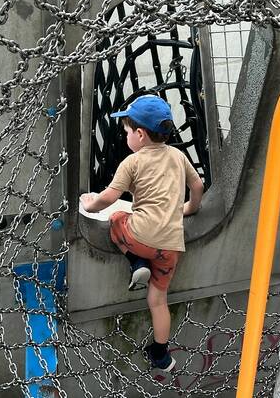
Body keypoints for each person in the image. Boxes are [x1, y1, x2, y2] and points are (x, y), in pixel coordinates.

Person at [80, 94, 204, 372]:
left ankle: (136, 263)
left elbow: (111, 196)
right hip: (170, 248)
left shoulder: (132, 162)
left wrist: (91, 203)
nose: (125, 137)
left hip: (140, 238)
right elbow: (197, 187)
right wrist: (188, 209)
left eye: (126, 132)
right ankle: (161, 355)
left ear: (139, 134)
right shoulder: (178, 156)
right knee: (157, 300)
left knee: (116, 219)